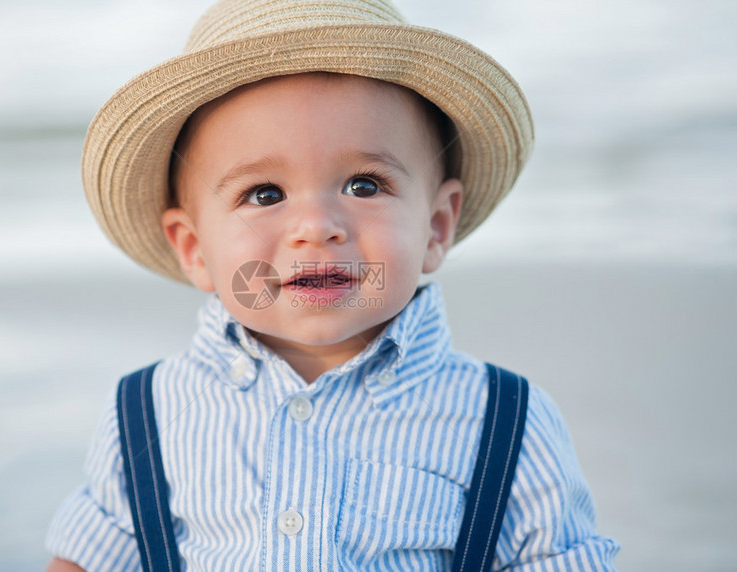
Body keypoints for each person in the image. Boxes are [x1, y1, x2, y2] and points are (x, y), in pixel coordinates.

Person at [45, 0, 620, 570]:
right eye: (265, 194)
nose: (317, 227)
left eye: (365, 186)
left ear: (436, 227)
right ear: (195, 249)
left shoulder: (506, 419)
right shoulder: (146, 412)